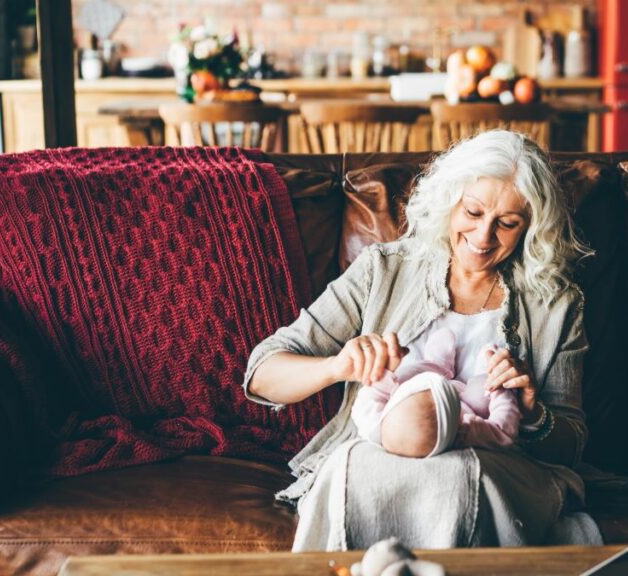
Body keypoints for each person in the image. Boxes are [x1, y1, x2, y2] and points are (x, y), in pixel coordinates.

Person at [243, 129, 601, 550]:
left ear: (531, 227)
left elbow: (571, 443)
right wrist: (337, 365)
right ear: (450, 199)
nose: (483, 237)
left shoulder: (556, 304)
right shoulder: (384, 270)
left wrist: (534, 412)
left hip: (494, 467)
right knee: (355, 470)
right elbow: (262, 372)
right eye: (473, 211)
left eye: (506, 223)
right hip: (380, 457)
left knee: (456, 478)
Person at [350, 326, 521, 456]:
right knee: (481, 396)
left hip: (418, 385)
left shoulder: (374, 427)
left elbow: (369, 395)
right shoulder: (464, 431)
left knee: (404, 374)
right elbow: (504, 431)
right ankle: (483, 368)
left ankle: (437, 364)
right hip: (465, 402)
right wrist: (497, 388)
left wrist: (387, 372)